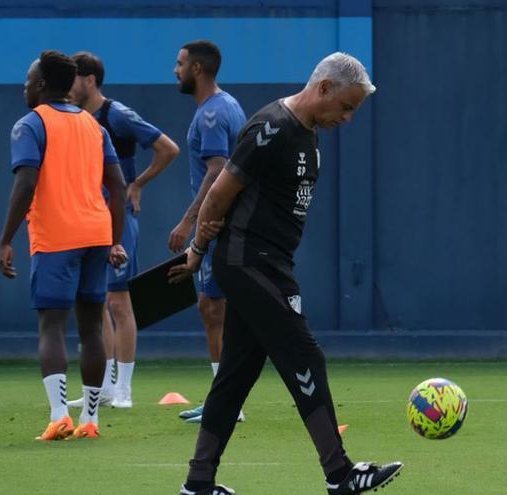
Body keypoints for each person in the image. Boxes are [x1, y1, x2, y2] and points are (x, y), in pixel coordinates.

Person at [168, 52, 403, 495]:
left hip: (270, 263)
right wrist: (198, 249)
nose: (348, 119)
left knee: (235, 375)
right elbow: (219, 193)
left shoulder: (308, 133)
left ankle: (198, 484)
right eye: (346, 107)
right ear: (324, 88)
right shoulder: (271, 127)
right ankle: (340, 473)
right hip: (248, 262)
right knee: (305, 355)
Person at [0, 50, 128, 441]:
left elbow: (25, 184)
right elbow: (118, 186)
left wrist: (6, 239)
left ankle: (59, 415)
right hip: (96, 234)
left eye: (27, 80)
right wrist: (115, 240)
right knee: (91, 326)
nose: (24, 86)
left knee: (51, 326)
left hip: (57, 236)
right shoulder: (93, 125)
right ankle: (90, 420)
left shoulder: (30, 124)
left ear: (40, 84)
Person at [66, 51, 180, 409]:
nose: (66, 88)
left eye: (72, 80)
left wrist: (138, 184)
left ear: (89, 80)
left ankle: (125, 389)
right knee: (93, 301)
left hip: (115, 218)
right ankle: (104, 387)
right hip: (86, 218)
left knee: (119, 300)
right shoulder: (72, 119)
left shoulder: (117, 115)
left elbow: (167, 148)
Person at [168, 40, 247, 424]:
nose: (175, 70)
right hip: (230, 224)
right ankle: (226, 398)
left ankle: (228, 404)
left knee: (213, 308)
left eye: (180, 64)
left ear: (197, 68)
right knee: (214, 307)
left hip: (218, 224)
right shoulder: (227, 105)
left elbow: (217, 170)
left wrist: (189, 222)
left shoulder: (212, 115)